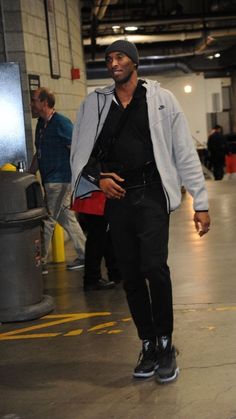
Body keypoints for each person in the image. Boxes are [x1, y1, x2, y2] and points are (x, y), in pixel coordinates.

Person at [70, 40, 210, 384]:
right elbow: (81, 149)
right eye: (108, 58)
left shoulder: (162, 100)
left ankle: (165, 342)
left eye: (119, 57)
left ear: (134, 62)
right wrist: (97, 179)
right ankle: (147, 343)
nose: (113, 62)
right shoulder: (96, 103)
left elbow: (183, 152)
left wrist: (201, 201)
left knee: (154, 267)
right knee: (130, 275)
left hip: (151, 194)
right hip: (117, 197)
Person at [29, 87, 86, 274]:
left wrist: (77, 174)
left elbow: (75, 148)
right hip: (49, 179)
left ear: (45, 103)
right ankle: (86, 254)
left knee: (47, 219)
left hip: (59, 180)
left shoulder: (62, 123)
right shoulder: (40, 125)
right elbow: (39, 153)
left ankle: (40, 262)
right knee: (66, 218)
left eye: (35, 100)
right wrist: (30, 174)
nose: (32, 104)